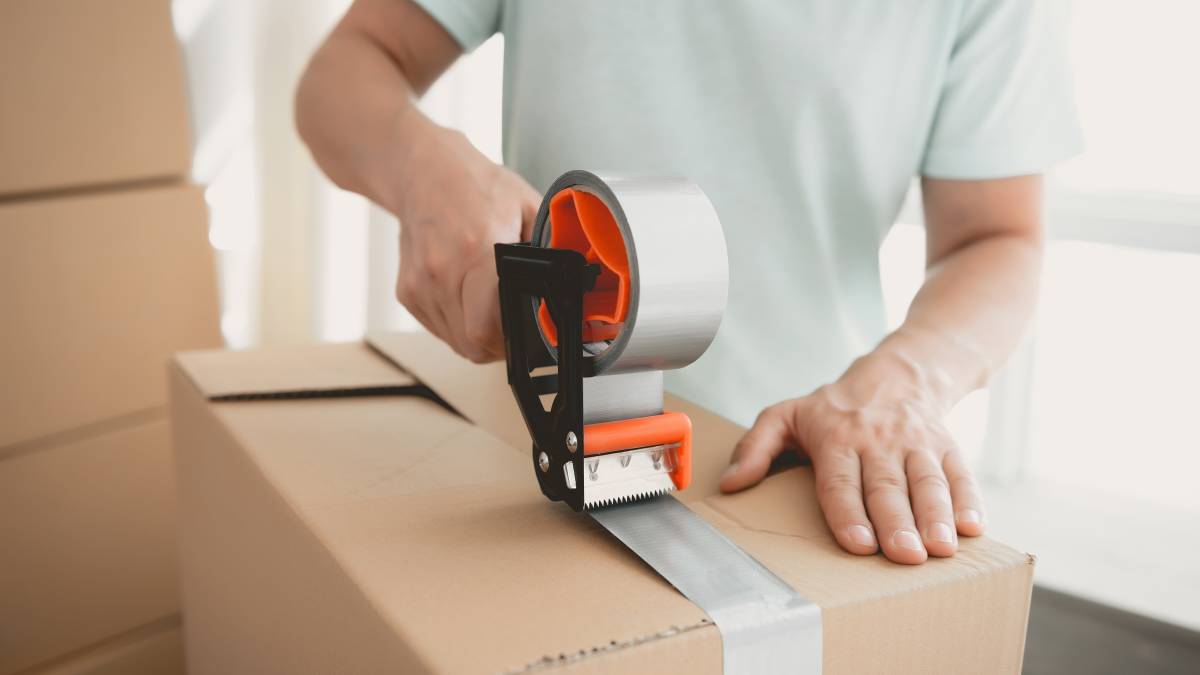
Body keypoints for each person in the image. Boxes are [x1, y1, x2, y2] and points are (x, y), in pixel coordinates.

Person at [295, 0, 1081, 565]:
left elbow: (997, 236)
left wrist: (904, 382)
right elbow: (348, 68)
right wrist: (422, 167)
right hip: (537, 427)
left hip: (802, 458)